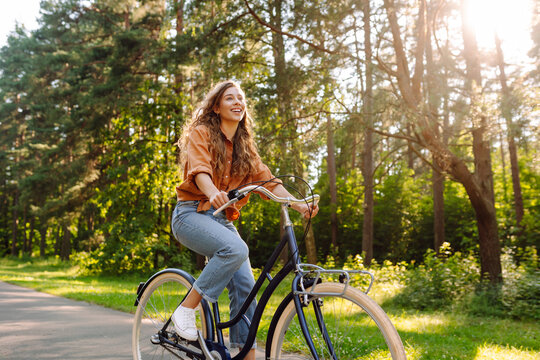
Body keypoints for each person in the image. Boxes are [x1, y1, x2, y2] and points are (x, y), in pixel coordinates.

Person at [171, 80, 318, 360]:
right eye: (229, 98)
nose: (238, 102)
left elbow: (269, 182)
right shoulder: (201, 133)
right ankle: (185, 310)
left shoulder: (245, 148)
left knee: (245, 287)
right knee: (237, 249)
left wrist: (300, 205)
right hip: (189, 213)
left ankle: (244, 354)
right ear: (216, 106)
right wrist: (214, 192)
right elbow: (200, 171)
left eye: (241, 99)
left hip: (220, 221)